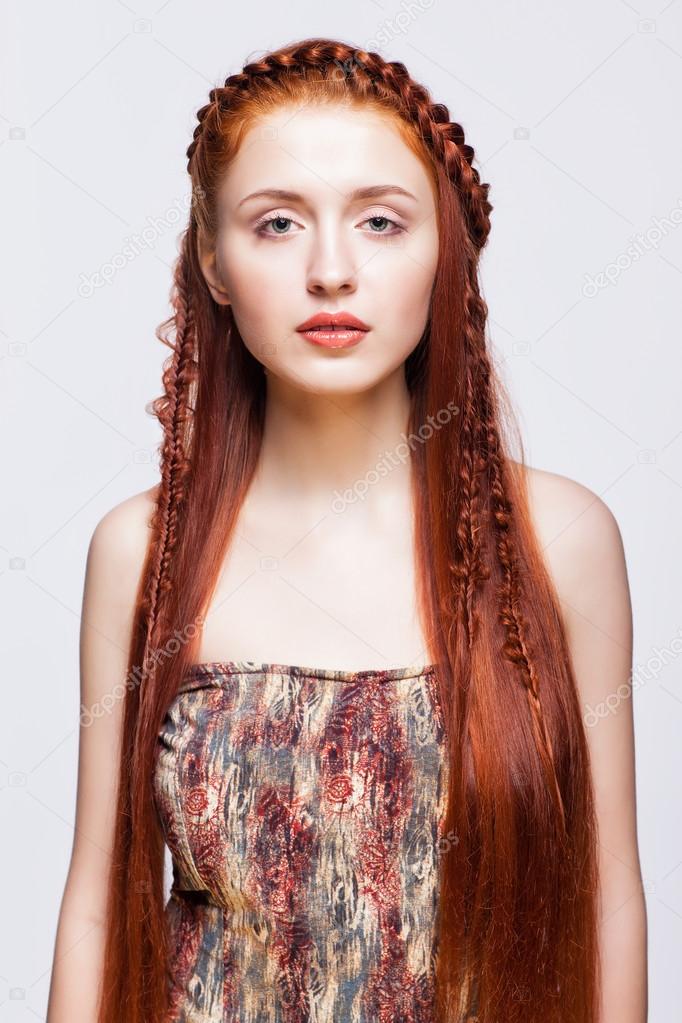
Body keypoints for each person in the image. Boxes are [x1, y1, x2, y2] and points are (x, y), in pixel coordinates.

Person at [46, 37, 647, 1023]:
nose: (331, 271)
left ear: (445, 249)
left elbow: (609, 896)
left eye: (379, 221)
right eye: (277, 223)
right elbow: (93, 907)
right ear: (214, 261)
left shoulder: (562, 540)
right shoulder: (139, 552)